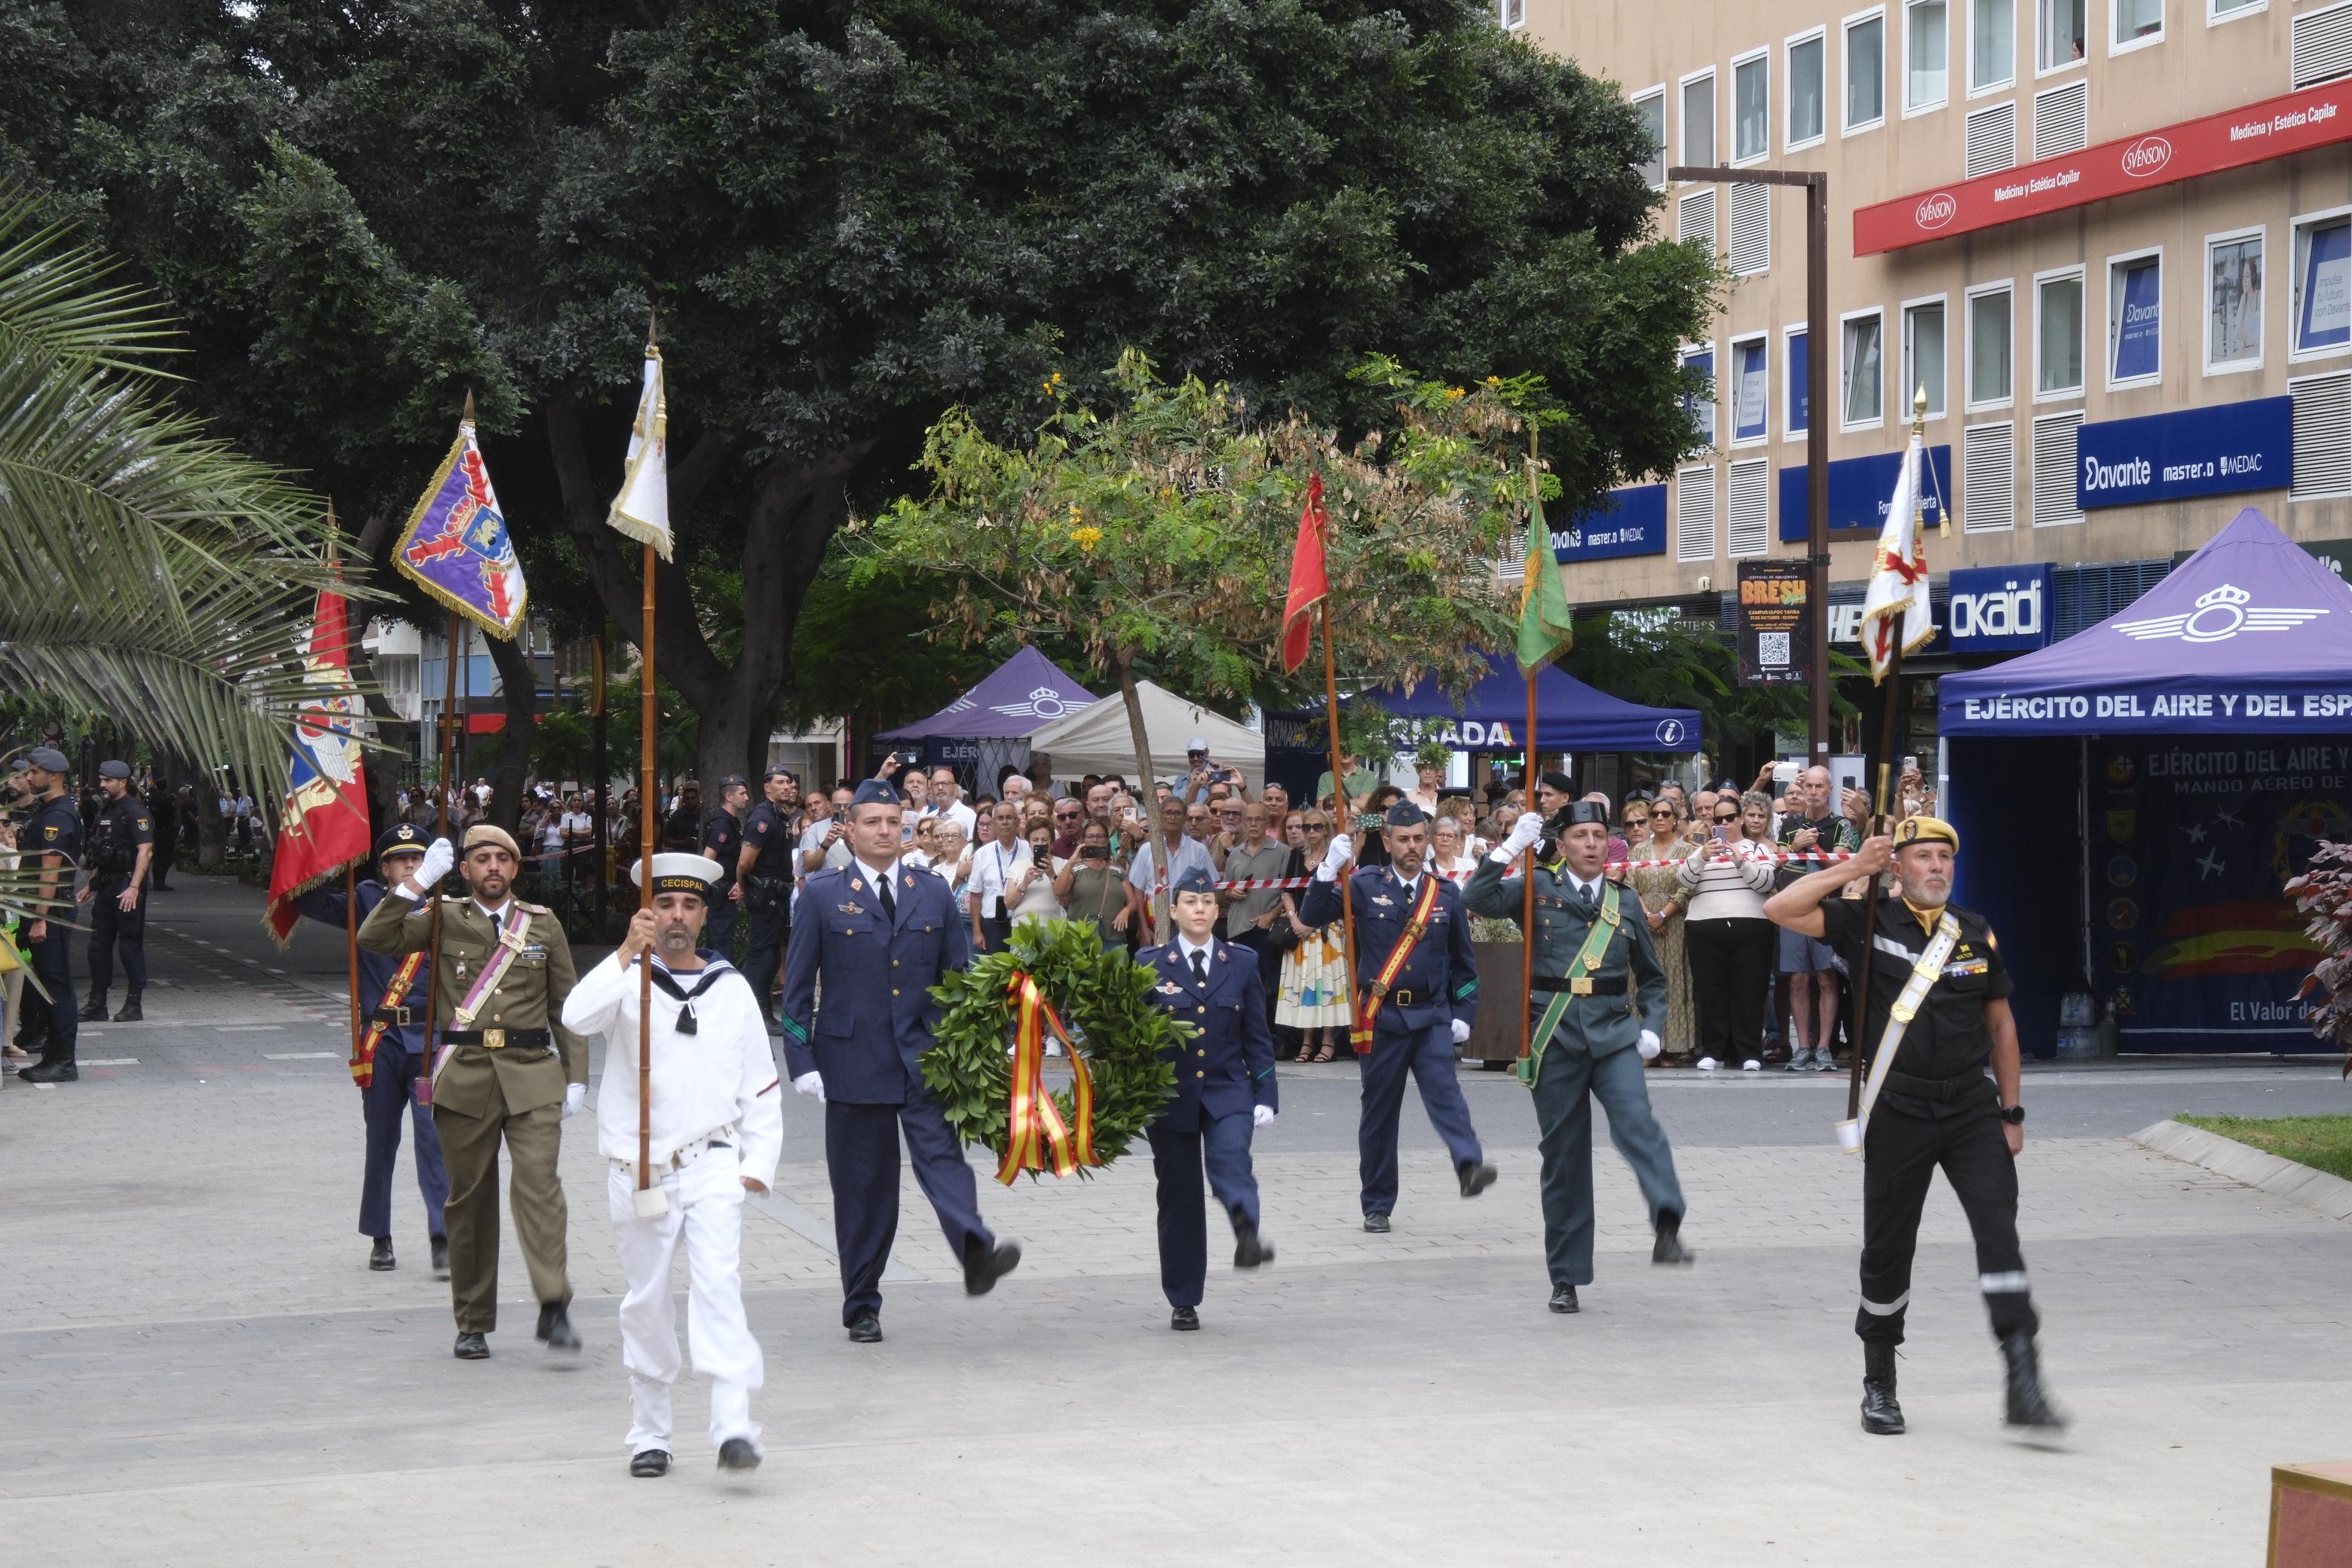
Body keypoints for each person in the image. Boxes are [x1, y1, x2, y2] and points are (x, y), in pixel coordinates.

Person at [1763, 816, 2065, 1436]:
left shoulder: (1976, 932)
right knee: (1888, 1248)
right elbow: (1779, 906)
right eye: (1922, 857)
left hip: (1971, 1110)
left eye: (1943, 858)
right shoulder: (1867, 921)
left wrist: (2011, 1112)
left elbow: (2002, 1026)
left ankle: (2023, 1374)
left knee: (1998, 1235)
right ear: (1897, 867)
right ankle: (1880, 1381)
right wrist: (1854, 869)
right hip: (1899, 1108)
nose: (1936, 868)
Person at [776, 779, 1021, 1343]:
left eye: (894, 822)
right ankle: (861, 1303)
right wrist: (801, 1056)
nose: (885, 831)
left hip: (925, 1055)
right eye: (873, 823)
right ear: (852, 829)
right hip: (852, 1059)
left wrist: (978, 1044)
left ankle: (975, 1252)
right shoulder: (820, 893)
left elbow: (956, 979)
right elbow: (797, 987)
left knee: (944, 1162)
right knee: (865, 1190)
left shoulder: (930, 890)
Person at [562, 853, 782, 1478]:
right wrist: (625, 955)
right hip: (640, 1170)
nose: (676, 917)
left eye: (688, 906)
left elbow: (759, 1083)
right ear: (647, 912)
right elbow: (575, 1018)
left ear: (706, 915)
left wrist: (758, 1160)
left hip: (713, 1160)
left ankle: (735, 1423)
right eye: (665, 905)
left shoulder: (731, 986)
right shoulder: (625, 979)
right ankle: (650, 1433)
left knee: (720, 1289)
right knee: (648, 1299)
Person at [359, 823, 588, 1361]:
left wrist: (577, 1074)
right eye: (481, 859)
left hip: (532, 1075)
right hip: (464, 1076)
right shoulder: (442, 918)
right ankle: (473, 1320)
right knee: (469, 1203)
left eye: (502, 859)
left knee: (540, 1188)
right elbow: (374, 936)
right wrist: (419, 884)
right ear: (463, 870)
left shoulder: (543, 925)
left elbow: (565, 1006)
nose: (492, 867)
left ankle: (553, 1302)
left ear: (515, 868)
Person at [1464, 804, 1692, 1314]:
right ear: (1562, 844)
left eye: (1598, 835)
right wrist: (1509, 848)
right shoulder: (1536, 888)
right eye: (1579, 835)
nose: (1591, 844)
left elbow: (1652, 979)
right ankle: (1565, 1275)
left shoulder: (1623, 900)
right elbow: (1474, 897)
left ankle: (1667, 1220)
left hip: (1613, 1034)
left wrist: (1652, 1027)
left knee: (1637, 1123)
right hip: (1556, 1036)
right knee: (1565, 1159)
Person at [1298, 801, 1495, 1232]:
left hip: (1429, 1014)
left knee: (1446, 1094)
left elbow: (1464, 962)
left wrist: (1464, 1012)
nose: (1412, 846)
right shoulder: (1366, 884)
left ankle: (1468, 1163)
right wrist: (1329, 869)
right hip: (1382, 1016)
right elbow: (1311, 918)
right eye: (1403, 839)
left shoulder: (1445, 893)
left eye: (1418, 839)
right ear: (1386, 842)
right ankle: (1377, 1203)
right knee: (1380, 1114)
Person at [290, 823, 450, 1276]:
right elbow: (305, 900)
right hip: (381, 1044)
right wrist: (328, 856)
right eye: (402, 860)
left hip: (428, 1044)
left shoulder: (444, 910)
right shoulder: (364, 900)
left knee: (432, 1139)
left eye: (418, 859)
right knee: (380, 1142)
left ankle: (442, 1234)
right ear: (384, 867)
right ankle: (380, 1236)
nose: (411, 867)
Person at [1137, 867, 1278, 1330]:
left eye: (1208, 903)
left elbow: (1257, 1033)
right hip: (1170, 1096)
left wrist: (1266, 1092)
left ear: (1218, 911)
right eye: (1190, 903)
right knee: (1178, 1198)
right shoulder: (1148, 963)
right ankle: (1183, 1297)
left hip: (1227, 1088)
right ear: (1173, 911)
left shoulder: (1240, 962)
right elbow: (1131, 1037)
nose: (1200, 909)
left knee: (1230, 1157)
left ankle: (1245, 1226)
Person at [1678, 791, 1780, 1073]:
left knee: (1750, 990)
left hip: (1752, 927)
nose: (1724, 823)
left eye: (1730, 818)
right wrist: (1701, 858)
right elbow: (1683, 880)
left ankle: (1750, 1051)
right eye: (1717, 818)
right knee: (1711, 991)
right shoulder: (1702, 851)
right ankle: (1714, 1050)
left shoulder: (1759, 850)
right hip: (1705, 926)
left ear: (1740, 820)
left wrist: (1740, 861)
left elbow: (1765, 881)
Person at [1778, 766, 1863, 1071]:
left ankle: (1825, 1046)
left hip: (1828, 909)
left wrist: (1812, 845)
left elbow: (1838, 868)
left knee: (1827, 978)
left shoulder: (1841, 825)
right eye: (1808, 787)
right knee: (1798, 979)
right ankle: (1803, 1047)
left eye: (1819, 787)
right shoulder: (1789, 822)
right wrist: (1795, 845)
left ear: (1829, 789)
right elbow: (1778, 858)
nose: (1813, 792)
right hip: (1793, 906)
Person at [16, 749, 83, 1082]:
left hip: (50, 912)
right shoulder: (49, 810)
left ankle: (64, 1061)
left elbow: (49, 872)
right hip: (41, 909)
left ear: (53, 775)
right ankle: (53, 1057)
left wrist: (41, 918)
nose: (28, 778)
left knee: (56, 986)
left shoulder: (58, 815)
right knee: (47, 983)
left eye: (33, 772)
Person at [76, 760, 154, 1023]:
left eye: (108, 780)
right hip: (107, 886)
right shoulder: (106, 811)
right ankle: (98, 1003)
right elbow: (102, 852)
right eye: (101, 779)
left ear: (123, 782)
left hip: (127, 885)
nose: (102, 784)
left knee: (129, 946)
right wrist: (90, 884)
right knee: (97, 947)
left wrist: (134, 888)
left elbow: (146, 851)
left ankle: (134, 1004)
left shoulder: (136, 811)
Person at [1622, 797, 1696, 1063]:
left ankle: (1673, 1046)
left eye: (1666, 813)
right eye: (1655, 814)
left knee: (1673, 979)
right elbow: (1629, 884)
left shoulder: (1687, 851)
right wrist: (1648, 916)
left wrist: (1664, 914)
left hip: (1675, 923)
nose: (1660, 818)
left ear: (1676, 818)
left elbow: (1688, 887)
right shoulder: (1639, 850)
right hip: (1643, 923)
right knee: (1641, 979)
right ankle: (1644, 1046)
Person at [1276, 811, 1351, 1063]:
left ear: (1327, 829)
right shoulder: (1296, 855)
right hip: (1300, 930)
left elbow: (1341, 893)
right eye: (1306, 826)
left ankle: (1329, 1041)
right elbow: (1286, 891)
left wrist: (1311, 923)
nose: (1310, 831)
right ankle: (1306, 1041)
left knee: (1327, 986)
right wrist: (1296, 919)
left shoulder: (1335, 856)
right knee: (1304, 986)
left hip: (1328, 930)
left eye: (1316, 826)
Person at [735, 766, 798, 1033]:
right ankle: (755, 1015)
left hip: (779, 894)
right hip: (766, 895)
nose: (787, 787)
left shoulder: (780, 816)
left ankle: (762, 1013)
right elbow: (744, 862)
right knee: (762, 956)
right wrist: (742, 889)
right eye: (781, 782)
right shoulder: (762, 817)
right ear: (767, 787)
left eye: (789, 782)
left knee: (773, 954)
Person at [1218, 801, 1291, 1031]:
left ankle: (1271, 1036)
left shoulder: (1282, 852)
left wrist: (1271, 915)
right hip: (1238, 927)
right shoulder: (1234, 854)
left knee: (1269, 986)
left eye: (1258, 819)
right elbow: (1225, 891)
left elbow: (1290, 891)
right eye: (1248, 819)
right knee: (1239, 985)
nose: (1253, 824)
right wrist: (1231, 892)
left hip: (1266, 928)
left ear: (1266, 821)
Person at [1129, 794, 1214, 940]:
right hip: (1155, 923)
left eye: (1178, 813)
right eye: (1168, 813)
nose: (1172, 818)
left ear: (1185, 818)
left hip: (1190, 923)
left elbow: (1210, 889)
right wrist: (1143, 928)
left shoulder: (1199, 850)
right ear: (1161, 817)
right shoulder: (1147, 850)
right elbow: (1137, 891)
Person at [1055, 818, 1135, 948]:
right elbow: (1059, 891)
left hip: (1113, 938)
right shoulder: (1076, 869)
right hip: (1080, 938)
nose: (1095, 840)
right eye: (1090, 837)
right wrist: (1072, 861)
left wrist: (1126, 911)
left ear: (1107, 840)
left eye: (1100, 836)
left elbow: (1132, 901)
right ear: (1083, 840)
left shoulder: (1117, 871)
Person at [967, 799, 1028, 953]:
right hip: (992, 924)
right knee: (996, 975)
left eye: (1009, 818)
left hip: (1022, 921)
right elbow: (975, 895)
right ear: (994, 823)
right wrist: (977, 931)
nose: (1005, 822)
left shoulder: (1028, 849)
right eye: (1000, 818)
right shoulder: (982, 854)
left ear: (1017, 821)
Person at [700, 776, 749, 957]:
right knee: (721, 943)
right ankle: (720, 980)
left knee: (721, 940)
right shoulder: (722, 823)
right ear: (729, 796)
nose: (746, 798)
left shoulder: (731, 821)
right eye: (742, 793)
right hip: (720, 892)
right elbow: (708, 859)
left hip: (726, 891)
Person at [1006, 822, 1064, 929]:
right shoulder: (1017, 865)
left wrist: (1052, 875)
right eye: (1035, 840)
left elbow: (1065, 901)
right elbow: (1009, 904)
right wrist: (1024, 883)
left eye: (1045, 840)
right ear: (1029, 843)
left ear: (1052, 842)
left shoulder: (1063, 864)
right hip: (1023, 927)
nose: (1040, 843)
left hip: (1053, 927)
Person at [923, 766, 976, 840]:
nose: (940, 788)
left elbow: (970, 846)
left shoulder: (968, 815)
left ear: (954, 787)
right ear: (931, 789)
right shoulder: (930, 817)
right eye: (936, 784)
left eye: (945, 783)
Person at [147, 780, 177, 892]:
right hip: (167, 829)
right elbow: (170, 810)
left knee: (158, 856)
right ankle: (160, 880)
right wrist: (171, 800)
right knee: (166, 856)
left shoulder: (153, 800)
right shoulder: (166, 800)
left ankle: (156, 880)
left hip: (158, 829)